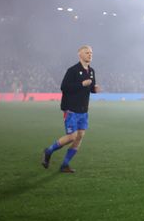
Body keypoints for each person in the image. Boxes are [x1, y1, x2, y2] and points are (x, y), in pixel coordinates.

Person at [40, 45, 100, 173]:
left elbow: (89, 88)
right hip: (71, 110)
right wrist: (81, 84)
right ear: (80, 55)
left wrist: (94, 90)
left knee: (80, 136)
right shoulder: (72, 70)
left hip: (84, 111)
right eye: (87, 52)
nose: (90, 54)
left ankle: (64, 165)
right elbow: (64, 87)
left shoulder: (91, 71)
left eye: (91, 53)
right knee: (72, 136)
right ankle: (48, 151)